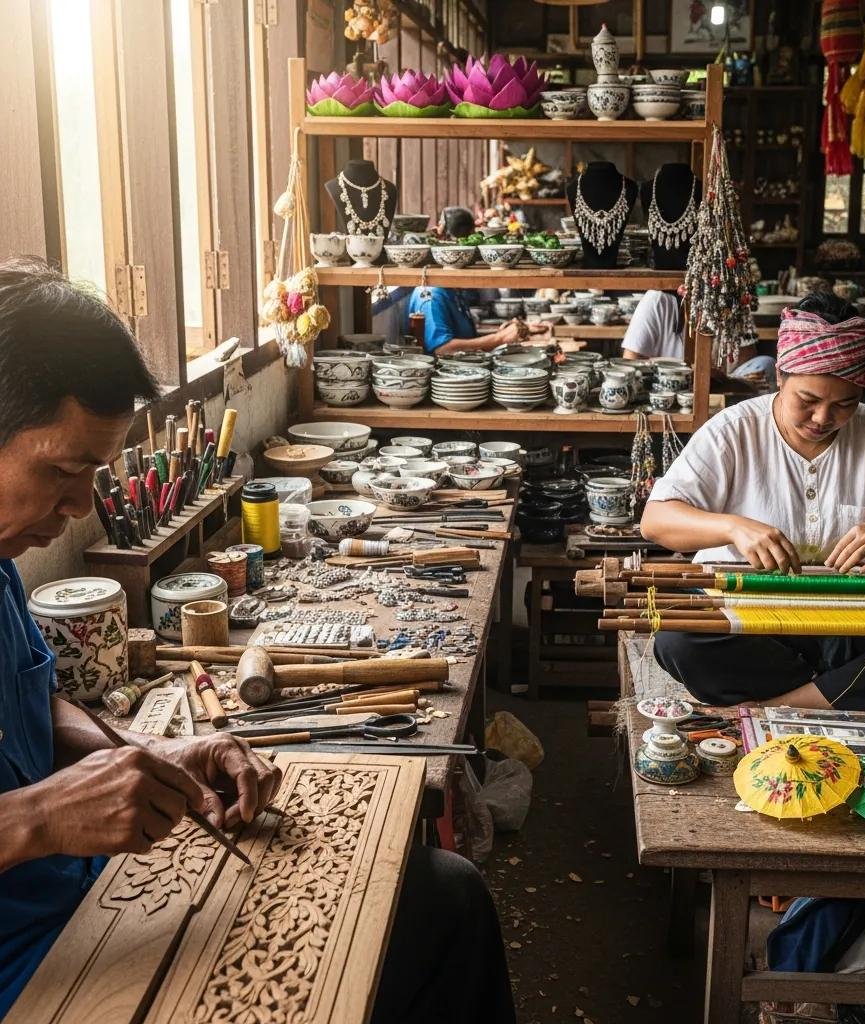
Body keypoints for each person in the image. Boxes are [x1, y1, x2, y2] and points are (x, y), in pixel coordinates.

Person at [0, 258, 515, 1024]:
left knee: (446, 894)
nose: (81, 507)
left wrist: (149, 752)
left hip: (81, 892)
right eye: (64, 471)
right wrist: (36, 818)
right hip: (23, 971)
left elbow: (33, 706)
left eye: (97, 474)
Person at [640, 292, 865, 712]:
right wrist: (733, 527)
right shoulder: (732, 431)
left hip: (858, 621)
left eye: (844, 404)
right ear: (780, 377)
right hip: (754, 620)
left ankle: (783, 704)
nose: (823, 418)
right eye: (807, 401)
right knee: (679, 640)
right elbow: (656, 520)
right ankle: (844, 690)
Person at [621, 288, 777, 387]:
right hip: (668, 384)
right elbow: (630, 362)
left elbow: (748, 362)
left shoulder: (730, 298)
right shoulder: (658, 300)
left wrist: (724, 378)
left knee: (766, 364)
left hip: (720, 384)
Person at [406, 285, 548, 355]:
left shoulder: (453, 290)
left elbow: (466, 337)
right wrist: (499, 338)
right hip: (447, 379)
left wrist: (506, 331)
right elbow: (442, 349)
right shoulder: (431, 296)